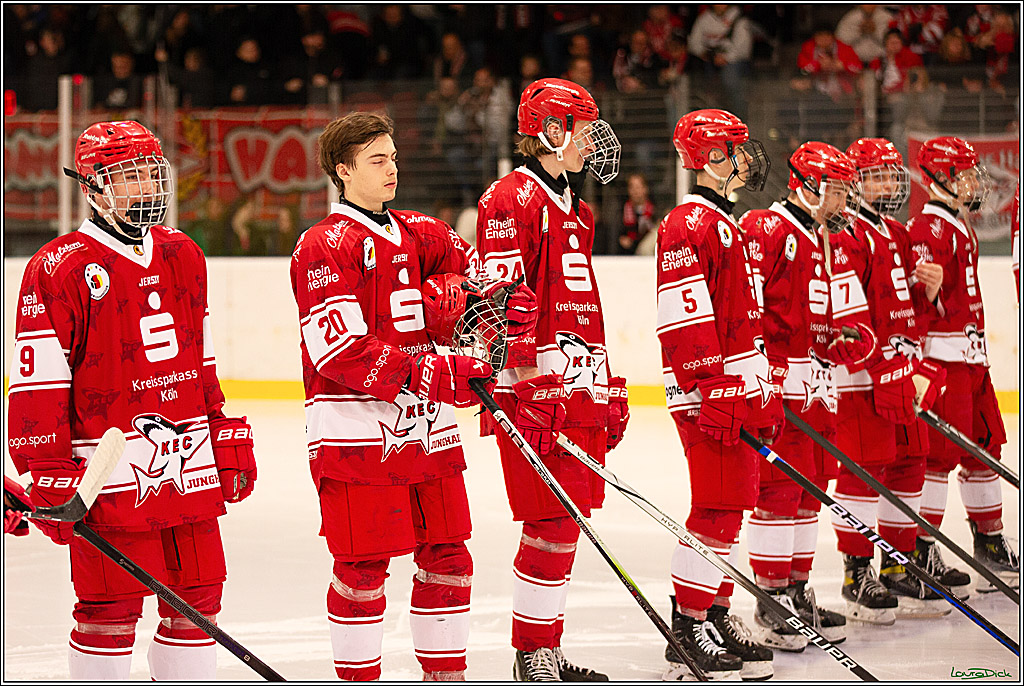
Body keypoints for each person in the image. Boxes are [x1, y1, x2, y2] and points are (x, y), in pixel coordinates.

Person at [290, 111, 536, 681]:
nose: (391, 169)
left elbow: (481, 290)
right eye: (377, 160)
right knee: (362, 567)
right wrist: (441, 371)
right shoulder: (322, 246)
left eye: (394, 157)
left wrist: (500, 311)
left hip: (430, 429)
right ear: (343, 170)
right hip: (354, 431)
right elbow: (341, 353)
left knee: (449, 557)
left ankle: (446, 674)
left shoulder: (425, 231)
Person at [7, 120, 257, 680]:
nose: (146, 188)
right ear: (93, 186)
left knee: (198, 602)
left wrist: (223, 433)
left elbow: (201, 361)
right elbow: (37, 384)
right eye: (128, 177)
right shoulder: (58, 267)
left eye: (151, 173)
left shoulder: (183, 254)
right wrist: (46, 471)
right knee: (108, 614)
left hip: (189, 467)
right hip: (106, 477)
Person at [474, 77, 626, 682]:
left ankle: (548, 645)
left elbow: (581, 301)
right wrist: (528, 386)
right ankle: (529, 652)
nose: (593, 141)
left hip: (577, 387)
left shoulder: (578, 208)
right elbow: (499, 301)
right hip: (531, 392)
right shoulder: (509, 198)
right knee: (546, 522)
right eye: (585, 128)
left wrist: (605, 383)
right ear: (553, 130)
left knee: (568, 524)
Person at [657, 109, 782, 680]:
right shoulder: (689, 223)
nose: (747, 158)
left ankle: (714, 610)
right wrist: (714, 387)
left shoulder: (725, 221)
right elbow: (682, 319)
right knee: (714, 507)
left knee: (730, 509)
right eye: (735, 147)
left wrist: (757, 384)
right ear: (710, 157)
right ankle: (686, 628)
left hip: (738, 388)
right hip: (712, 392)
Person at [740, 142, 863, 652]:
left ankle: (795, 588)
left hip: (817, 383)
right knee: (778, 492)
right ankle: (771, 600)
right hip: (781, 384)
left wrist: (831, 339)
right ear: (808, 185)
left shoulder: (818, 235)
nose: (842, 202)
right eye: (835, 191)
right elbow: (747, 306)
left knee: (811, 487)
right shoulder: (768, 228)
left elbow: (807, 313)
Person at [828, 138, 951, 624]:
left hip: (904, 369)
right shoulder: (845, 234)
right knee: (865, 468)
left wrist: (930, 293)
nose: (887, 183)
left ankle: (898, 564)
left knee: (910, 462)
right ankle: (856, 572)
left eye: (890, 174)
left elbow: (907, 310)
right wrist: (881, 365)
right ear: (855, 180)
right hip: (865, 375)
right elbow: (850, 316)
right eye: (876, 174)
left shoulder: (896, 232)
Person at [906, 136, 1019, 593]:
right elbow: (913, 302)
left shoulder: (958, 224)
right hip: (944, 362)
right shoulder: (928, 228)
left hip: (972, 360)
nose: (975, 182)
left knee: (985, 449)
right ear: (939, 178)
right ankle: (922, 547)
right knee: (938, 458)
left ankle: (988, 540)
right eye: (966, 173)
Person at [619, 173, 656, 255]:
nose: (635, 191)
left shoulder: (655, 210)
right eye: (632, 187)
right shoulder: (621, 210)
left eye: (638, 187)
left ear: (645, 189)